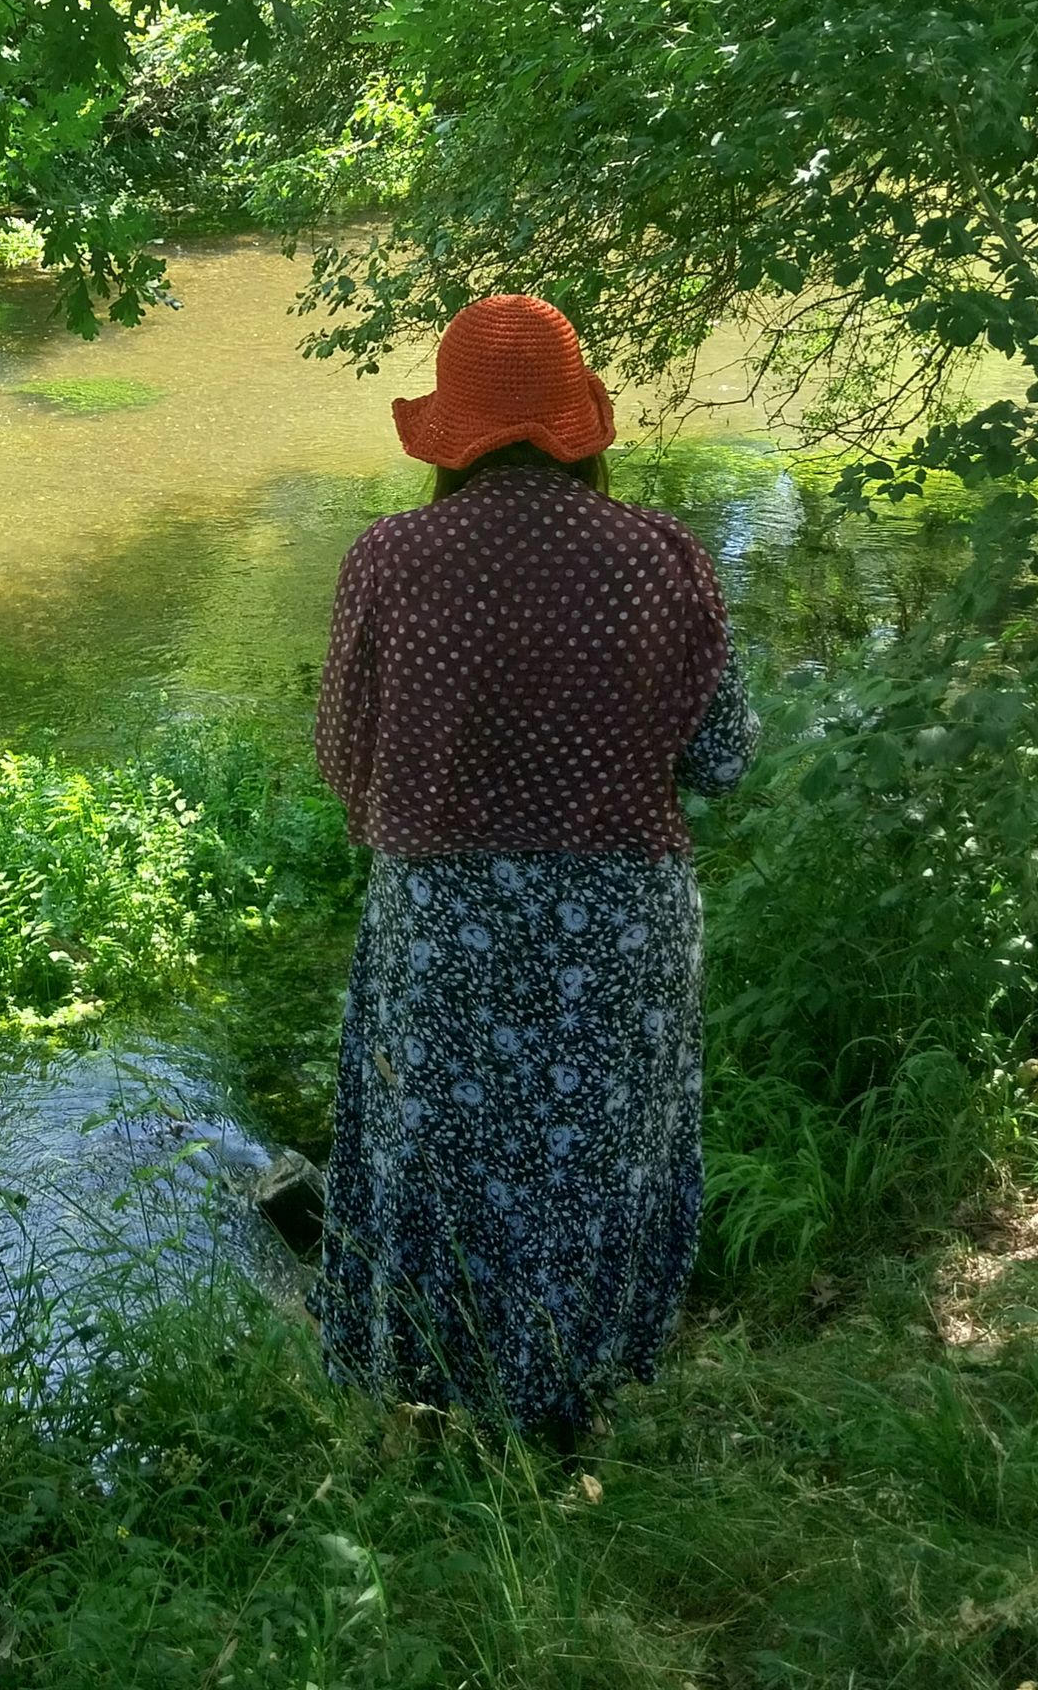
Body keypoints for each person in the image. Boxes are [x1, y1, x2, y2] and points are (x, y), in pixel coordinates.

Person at [310, 294, 757, 1442]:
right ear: (579, 427)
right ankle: (574, 1404)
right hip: (619, 918)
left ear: (452, 435)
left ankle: (433, 1401)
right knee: (595, 1162)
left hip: (445, 917)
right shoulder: (660, 557)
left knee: (439, 1157)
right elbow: (723, 759)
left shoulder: (389, 560)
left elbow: (345, 759)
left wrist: (444, 799)